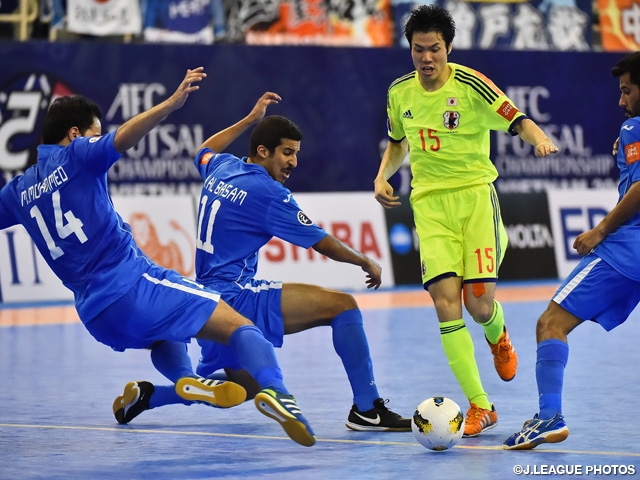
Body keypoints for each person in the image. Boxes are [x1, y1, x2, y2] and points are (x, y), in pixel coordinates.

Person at [0, 68, 316, 448]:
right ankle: (280, 394)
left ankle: (187, 380)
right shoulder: (78, 155)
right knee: (238, 324)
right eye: (94, 132)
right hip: (132, 285)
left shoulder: (17, 190)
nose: (97, 138)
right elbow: (123, 138)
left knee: (167, 334)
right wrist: (170, 103)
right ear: (75, 134)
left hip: (95, 315)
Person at [113, 92, 411, 432]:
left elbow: (203, 150)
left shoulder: (222, 168)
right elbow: (320, 241)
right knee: (343, 306)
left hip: (205, 303)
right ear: (263, 152)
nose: (294, 162)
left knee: (244, 390)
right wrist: (364, 261)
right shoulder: (268, 193)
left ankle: (150, 396)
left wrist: (249, 120)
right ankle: (367, 409)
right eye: (287, 153)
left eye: (296, 154)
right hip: (237, 297)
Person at [373, 5, 559, 438]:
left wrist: (541, 140)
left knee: (478, 304)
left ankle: (499, 335)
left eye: (434, 49)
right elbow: (397, 143)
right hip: (429, 206)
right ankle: (481, 405)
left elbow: (517, 119)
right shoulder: (399, 92)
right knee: (445, 305)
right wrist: (382, 175)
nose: (426, 58)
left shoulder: (472, 85)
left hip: (476, 200)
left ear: (448, 47)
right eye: (418, 50)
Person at [503, 52, 640, 450]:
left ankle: (549, 418)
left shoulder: (634, 127)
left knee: (550, 324)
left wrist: (601, 229)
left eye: (627, 91)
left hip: (626, 250)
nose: (621, 100)